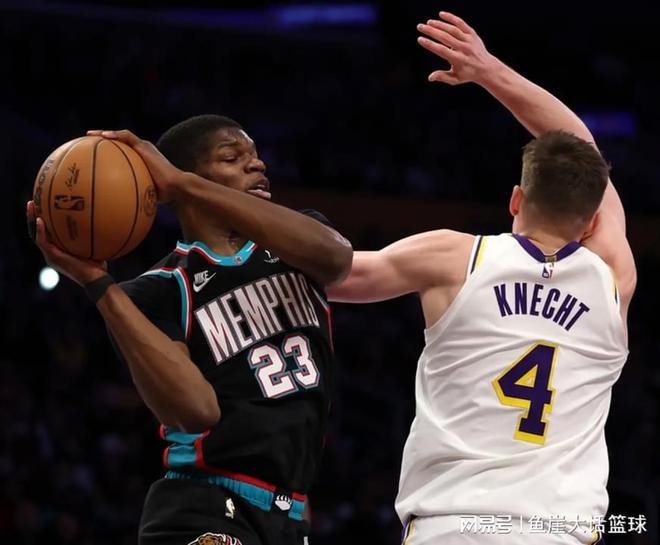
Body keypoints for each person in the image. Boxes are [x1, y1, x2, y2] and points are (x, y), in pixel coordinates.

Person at [327, 11, 636, 545]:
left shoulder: (455, 257)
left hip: (455, 526)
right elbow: (582, 145)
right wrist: (491, 71)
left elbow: (337, 277)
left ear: (516, 199)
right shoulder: (612, 277)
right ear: (591, 222)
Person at [28, 114, 353, 545]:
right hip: (203, 508)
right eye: (231, 158)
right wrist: (97, 284)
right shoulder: (157, 290)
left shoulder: (298, 243)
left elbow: (338, 258)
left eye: (255, 156)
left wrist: (183, 184)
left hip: (288, 517)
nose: (257, 165)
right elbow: (197, 410)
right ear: (181, 178)